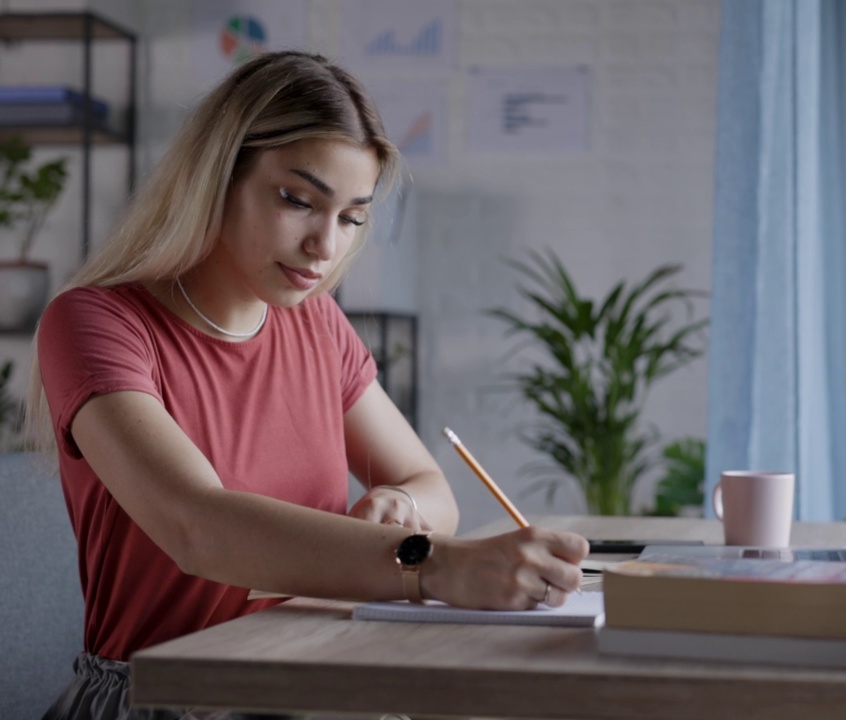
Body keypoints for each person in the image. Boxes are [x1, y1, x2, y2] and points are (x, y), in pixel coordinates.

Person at [26, 51, 589, 720]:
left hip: (312, 673)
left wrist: (402, 510)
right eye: (298, 200)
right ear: (217, 179)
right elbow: (197, 528)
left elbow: (431, 487)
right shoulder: (94, 321)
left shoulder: (317, 323)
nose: (327, 246)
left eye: (352, 217)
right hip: (165, 699)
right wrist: (431, 564)